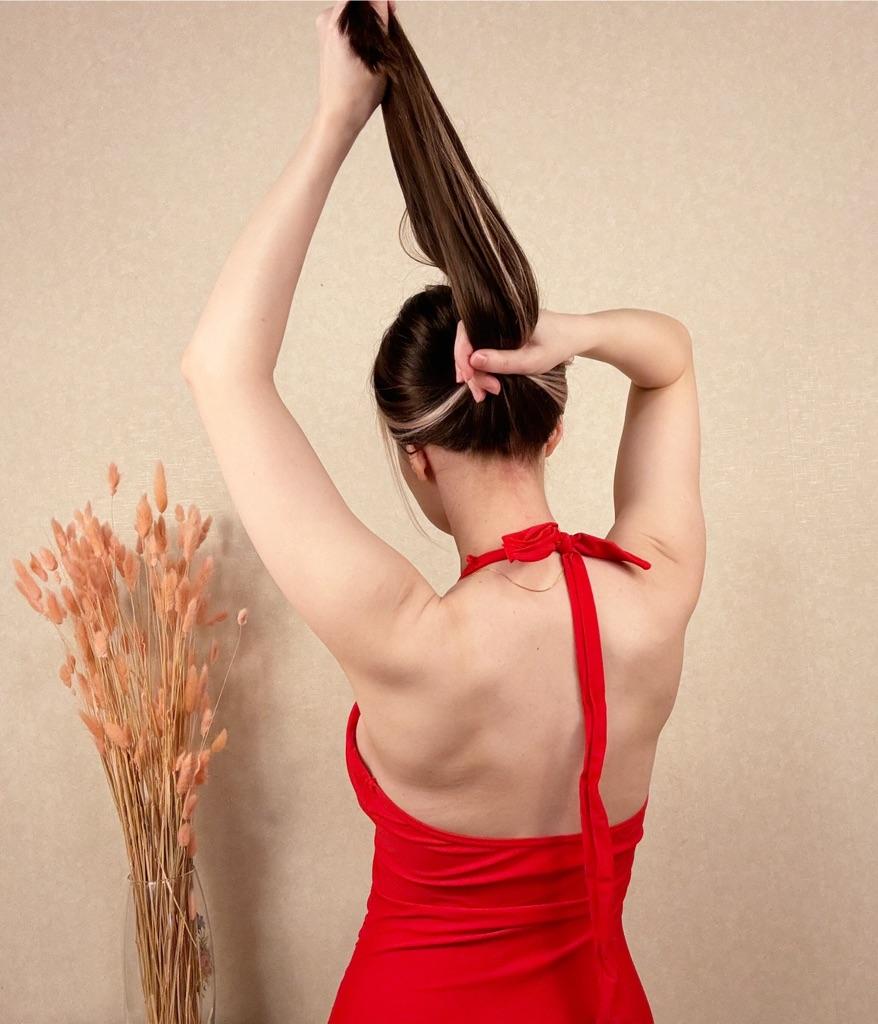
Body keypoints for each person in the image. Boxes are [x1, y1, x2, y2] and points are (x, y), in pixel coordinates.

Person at [181, 2, 705, 1021]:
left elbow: (220, 366)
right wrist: (574, 330)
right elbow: (670, 361)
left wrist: (337, 121)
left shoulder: (404, 635)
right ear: (554, 426)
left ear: (415, 458)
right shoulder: (656, 591)